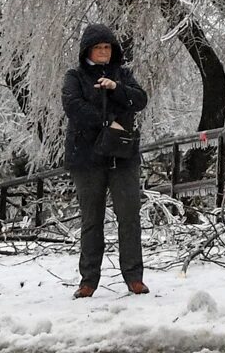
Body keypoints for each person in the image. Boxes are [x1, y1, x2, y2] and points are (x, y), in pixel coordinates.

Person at [61, 23, 149, 298]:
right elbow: (73, 107)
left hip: (122, 156)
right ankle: (88, 280)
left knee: (129, 216)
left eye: (107, 47)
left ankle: (134, 277)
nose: (103, 52)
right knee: (91, 219)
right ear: (87, 50)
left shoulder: (122, 75)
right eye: (98, 48)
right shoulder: (75, 76)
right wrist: (108, 122)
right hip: (87, 157)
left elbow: (140, 100)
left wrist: (116, 88)